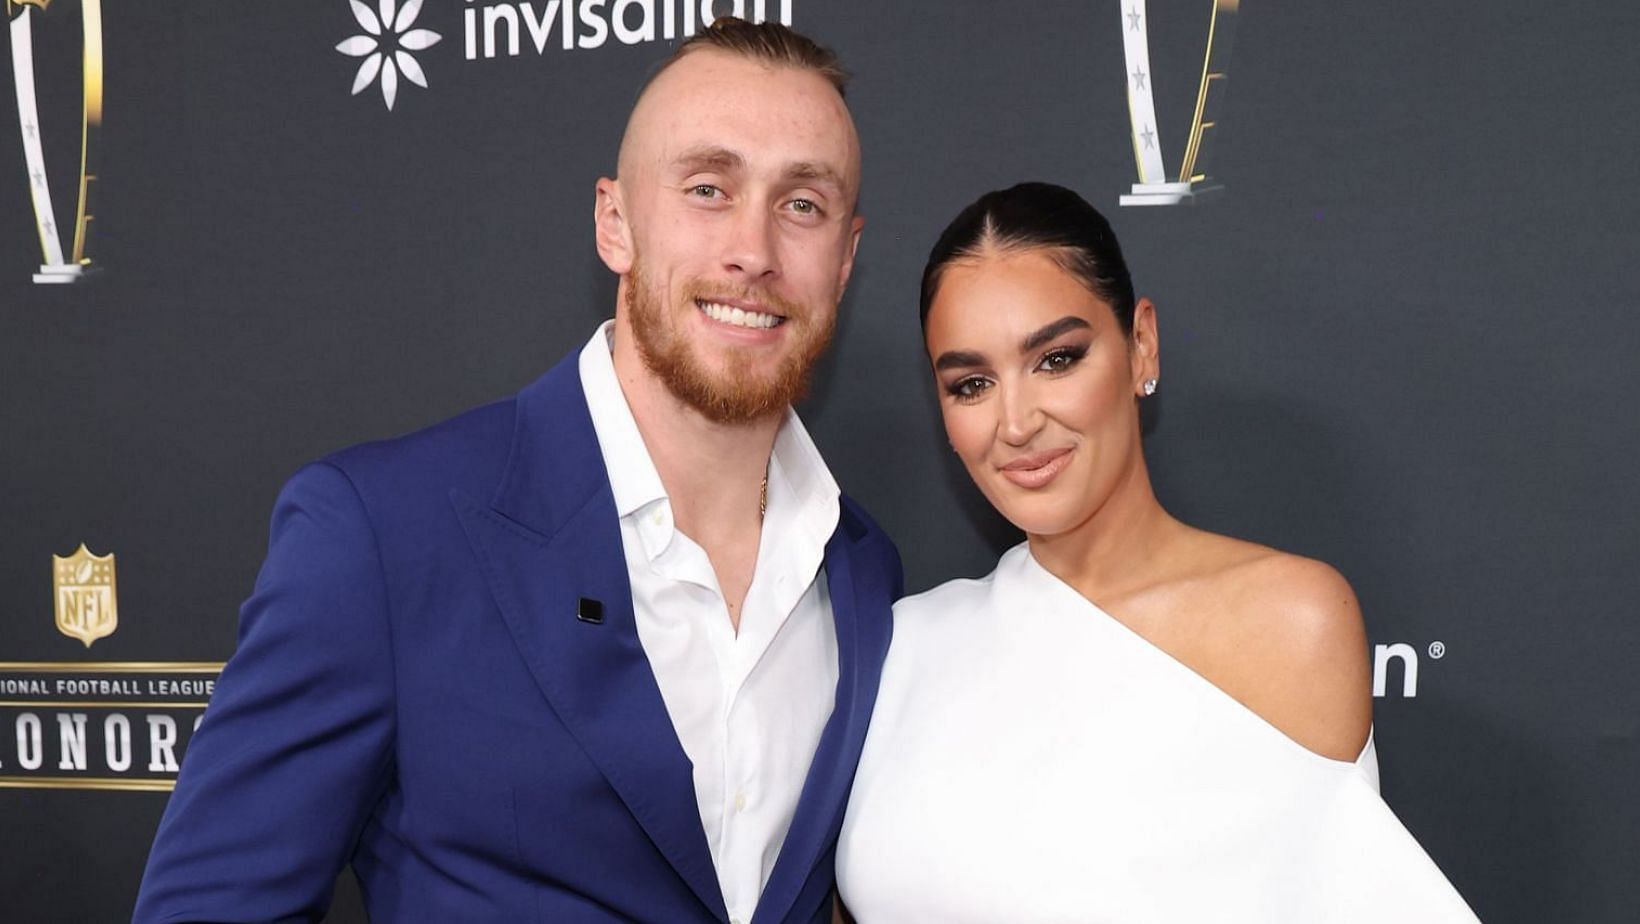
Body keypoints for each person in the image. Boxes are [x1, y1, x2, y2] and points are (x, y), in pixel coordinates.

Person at [134, 19, 900, 924]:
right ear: (615, 224)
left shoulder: (861, 573)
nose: (755, 250)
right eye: (707, 188)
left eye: (801, 205)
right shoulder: (383, 535)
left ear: (845, 261)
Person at [835, 183, 1478, 922]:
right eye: (972, 383)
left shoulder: (1288, 621)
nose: (1015, 423)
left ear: (1141, 343)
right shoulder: (903, 647)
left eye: (1056, 359)